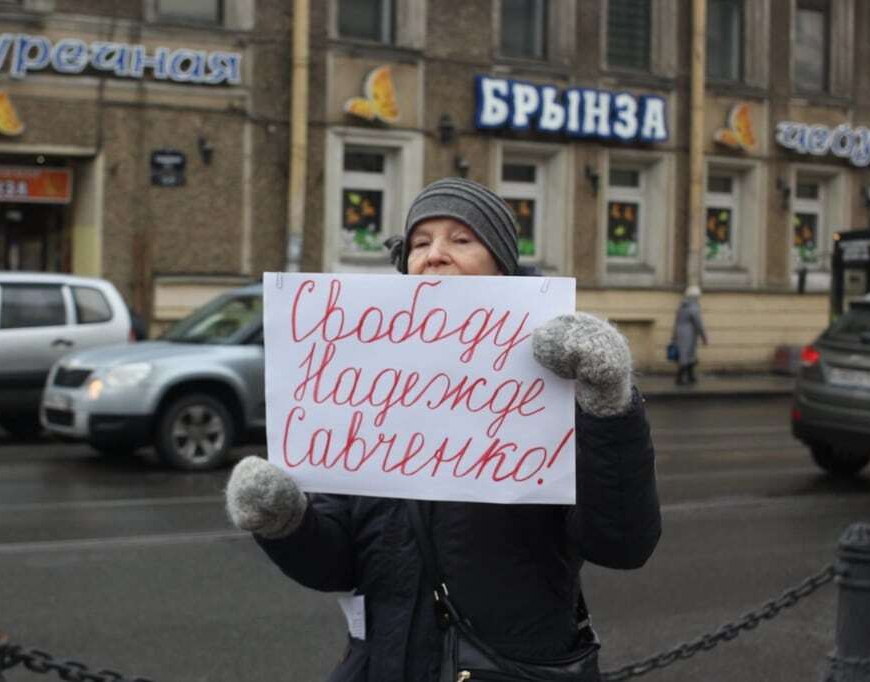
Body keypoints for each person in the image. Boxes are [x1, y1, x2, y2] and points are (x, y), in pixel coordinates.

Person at [226, 177, 661, 681]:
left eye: (461, 239)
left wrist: (608, 402)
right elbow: (335, 565)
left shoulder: (552, 382)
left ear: (502, 266)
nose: (434, 255)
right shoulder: (362, 390)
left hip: (509, 669)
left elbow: (623, 544)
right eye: (419, 242)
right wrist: (286, 522)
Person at [671, 285, 709, 386]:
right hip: (689, 333)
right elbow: (698, 323)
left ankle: (691, 376)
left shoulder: (682, 305)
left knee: (686, 355)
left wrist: (674, 335)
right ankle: (680, 378)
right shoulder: (693, 307)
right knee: (688, 354)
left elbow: (676, 321)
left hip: (680, 332)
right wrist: (704, 337)